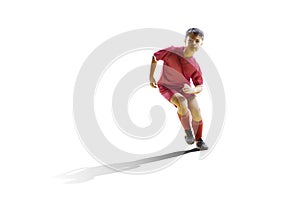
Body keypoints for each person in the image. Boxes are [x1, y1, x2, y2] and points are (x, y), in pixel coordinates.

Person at [149, 28, 208, 150]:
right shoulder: (172, 51)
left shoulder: (195, 65)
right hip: (167, 86)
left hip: (185, 89)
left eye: (197, 41)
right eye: (190, 40)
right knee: (182, 102)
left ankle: (199, 140)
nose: (193, 43)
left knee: (196, 111)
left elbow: (199, 86)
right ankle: (188, 132)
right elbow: (155, 57)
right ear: (185, 40)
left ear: (201, 44)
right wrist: (151, 77)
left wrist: (192, 90)